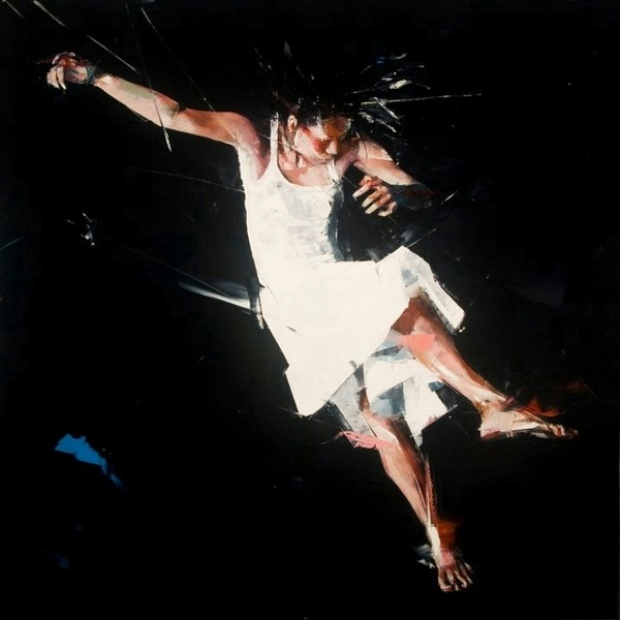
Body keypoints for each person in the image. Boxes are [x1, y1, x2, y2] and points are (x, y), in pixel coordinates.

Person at [44, 51, 575, 593]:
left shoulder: (351, 149)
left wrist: (399, 194)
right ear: (294, 121)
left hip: (331, 294)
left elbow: (415, 188)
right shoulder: (253, 139)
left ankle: (439, 536)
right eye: (323, 140)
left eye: (340, 141)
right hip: (297, 302)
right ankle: (489, 403)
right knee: (396, 290)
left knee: (387, 420)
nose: (331, 151)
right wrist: (98, 77)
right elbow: (174, 113)